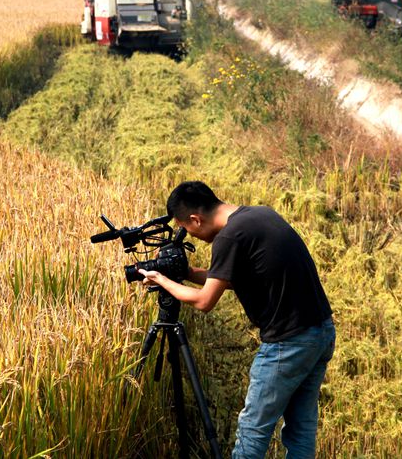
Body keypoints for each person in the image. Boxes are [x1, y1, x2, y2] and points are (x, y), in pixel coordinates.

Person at [138, 181, 335, 459]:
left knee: (253, 430)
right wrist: (188, 272)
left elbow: (205, 301)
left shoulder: (229, 237)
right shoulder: (259, 215)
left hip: (287, 343)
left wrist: (161, 279)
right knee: (301, 428)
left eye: (187, 229)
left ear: (196, 219)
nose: (191, 235)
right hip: (320, 332)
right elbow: (232, 279)